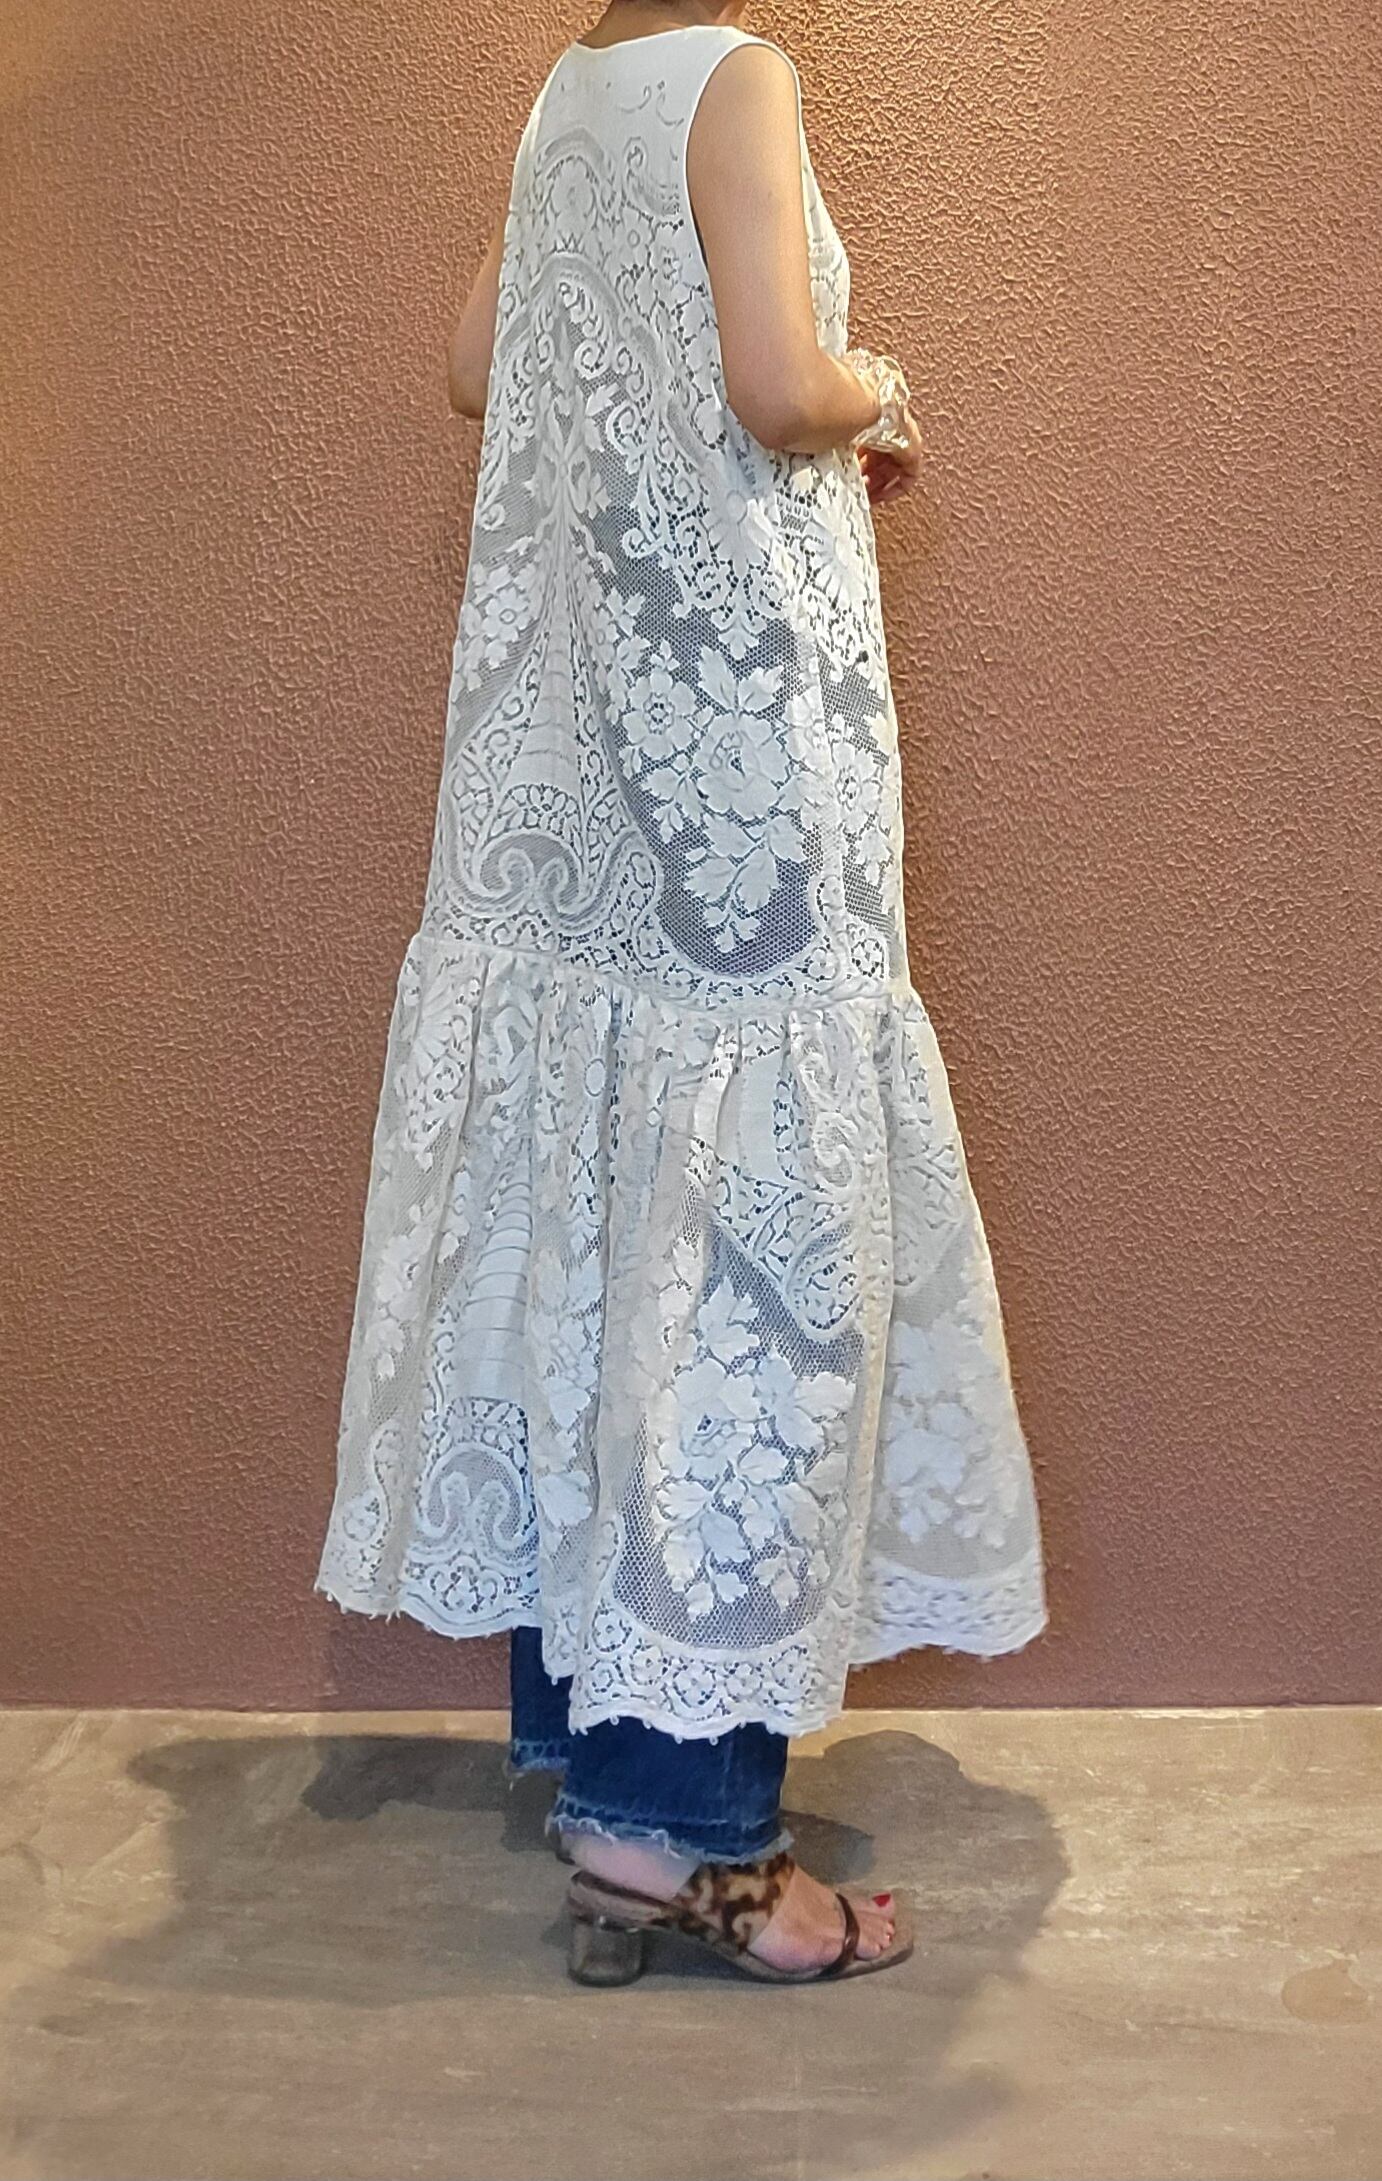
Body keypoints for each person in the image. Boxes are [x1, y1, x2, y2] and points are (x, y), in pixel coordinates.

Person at [315, 0, 1050, 1985]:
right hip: (731, 776)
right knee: (737, 1263)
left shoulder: (566, 93)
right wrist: (880, 389)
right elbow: (778, 380)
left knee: (601, 1241)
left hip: (580, 782)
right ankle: (697, 1835)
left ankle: (606, 1780)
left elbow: (476, 365)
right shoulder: (741, 77)